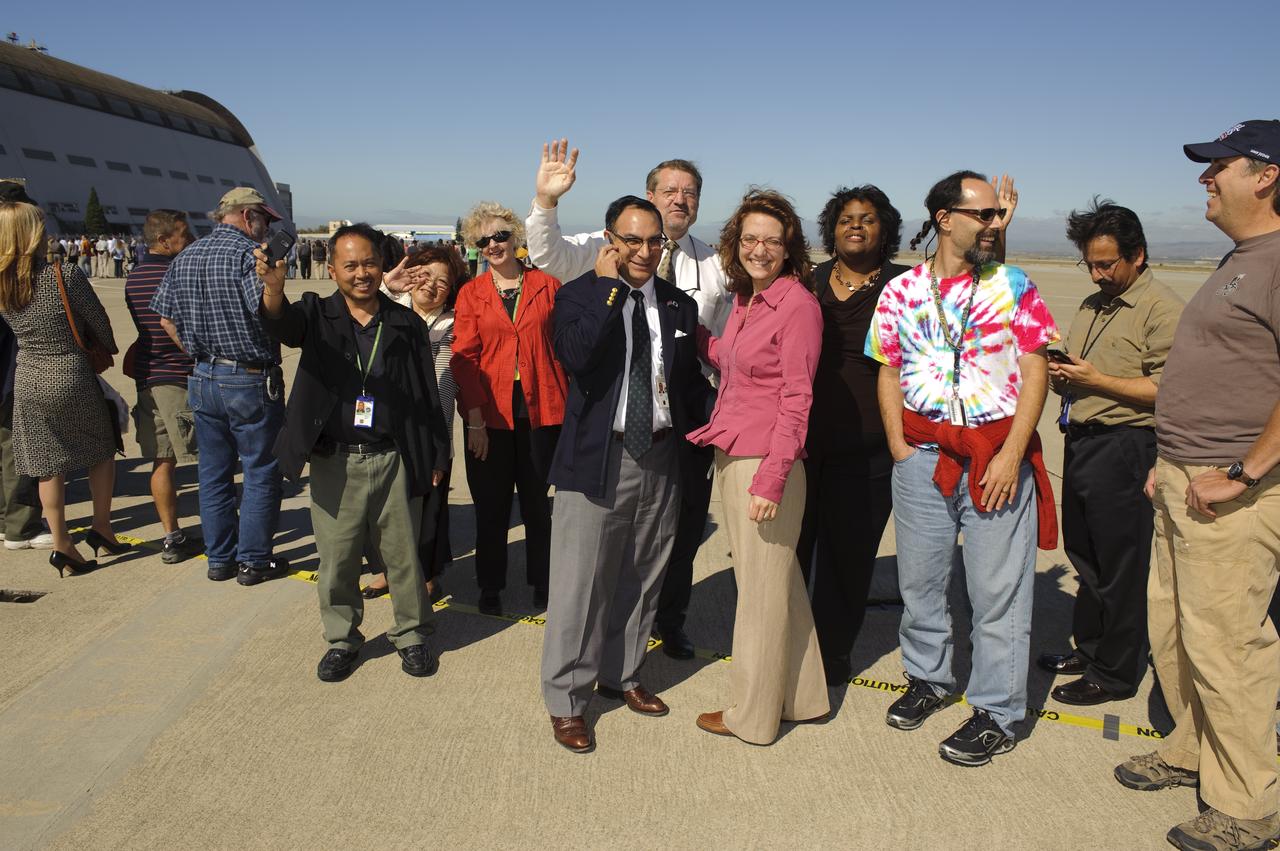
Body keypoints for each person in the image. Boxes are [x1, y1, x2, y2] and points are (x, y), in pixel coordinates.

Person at [1113, 120, 1280, 851]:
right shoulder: (1241, 257)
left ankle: (1249, 809)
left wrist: (1246, 470)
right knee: (1176, 630)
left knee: (1227, 644)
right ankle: (1189, 750)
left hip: (1234, 490)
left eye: (1218, 167)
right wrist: (1173, 457)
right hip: (1184, 476)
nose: (1204, 179)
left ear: (1266, 175)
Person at [867, 170, 1059, 767]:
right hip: (920, 456)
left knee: (996, 590)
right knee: (920, 582)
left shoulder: (1013, 284)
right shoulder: (900, 292)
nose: (993, 224)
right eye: (983, 214)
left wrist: (1010, 454)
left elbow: (1036, 371)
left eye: (998, 216)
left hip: (994, 457)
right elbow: (888, 368)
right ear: (945, 218)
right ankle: (928, 678)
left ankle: (998, 710)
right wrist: (898, 444)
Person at [527, 138, 731, 659]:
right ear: (648, 195)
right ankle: (576, 676)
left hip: (676, 433)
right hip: (607, 438)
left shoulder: (711, 267)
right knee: (590, 573)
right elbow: (550, 256)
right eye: (670, 189)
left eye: (690, 192)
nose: (680, 199)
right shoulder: (598, 261)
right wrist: (546, 203)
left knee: (665, 552)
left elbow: (722, 347)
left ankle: (652, 642)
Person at [540, 196, 714, 752]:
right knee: (580, 585)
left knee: (643, 572)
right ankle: (568, 697)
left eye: (654, 241)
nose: (644, 251)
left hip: (660, 454)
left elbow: (689, 386)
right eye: (631, 241)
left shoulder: (677, 305)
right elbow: (578, 356)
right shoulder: (578, 297)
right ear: (609, 242)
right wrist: (611, 289)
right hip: (599, 459)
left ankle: (623, 673)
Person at [258, 223, 449, 682]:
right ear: (332, 269)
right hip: (334, 459)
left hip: (392, 457)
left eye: (368, 263)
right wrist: (273, 289)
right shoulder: (315, 313)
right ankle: (342, 640)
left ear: (381, 266)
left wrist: (438, 455)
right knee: (338, 558)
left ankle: (412, 635)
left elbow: (426, 394)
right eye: (350, 265)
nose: (361, 273)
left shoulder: (403, 322)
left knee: (402, 555)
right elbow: (281, 325)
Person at [682, 189, 827, 744]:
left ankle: (753, 716)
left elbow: (796, 397)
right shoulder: (748, 300)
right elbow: (734, 362)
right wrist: (691, 333)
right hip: (735, 450)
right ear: (735, 244)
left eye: (771, 240)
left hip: (764, 463)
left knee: (760, 600)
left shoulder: (796, 306)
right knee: (777, 585)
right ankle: (802, 698)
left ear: (789, 246)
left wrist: (772, 478)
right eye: (749, 239)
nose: (759, 249)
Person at [1036, 199, 1183, 706]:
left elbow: (1171, 388)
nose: (1097, 273)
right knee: (1087, 556)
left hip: (1126, 445)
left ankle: (1116, 673)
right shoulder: (1092, 305)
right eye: (1089, 264)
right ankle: (1090, 648)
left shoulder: (1160, 308)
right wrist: (1065, 378)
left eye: (1106, 263)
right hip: (1082, 442)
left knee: (1121, 563)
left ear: (1137, 255)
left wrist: (1095, 380)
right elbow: (1085, 376)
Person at [798, 185, 911, 685]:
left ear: (884, 228)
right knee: (794, 548)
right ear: (832, 228)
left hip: (869, 445)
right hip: (803, 440)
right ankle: (789, 643)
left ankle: (833, 652)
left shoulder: (905, 286)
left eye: (867, 218)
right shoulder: (808, 281)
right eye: (846, 218)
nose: (856, 226)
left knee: (848, 553)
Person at [151, 187, 289, 585]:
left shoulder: (186, 256)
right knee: (261, 470)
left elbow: (165, 319)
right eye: (263, 219)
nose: (265, 228)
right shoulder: (250, 257)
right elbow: (266, 311)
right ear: (248, 217)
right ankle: (254, 560)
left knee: (213, 474)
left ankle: (220, 559)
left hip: (202, 376)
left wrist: (197, 351)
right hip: (247, 376)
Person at [450, 202, 566, 615]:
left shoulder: (549, 286)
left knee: (538, 505)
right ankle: (491, 585)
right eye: (484, 240)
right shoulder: (471, 294)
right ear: (476, 248)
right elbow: (464, 358)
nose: (494, 245)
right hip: (490, 414)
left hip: (541, 412)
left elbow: (565, 347)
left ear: (516, 236)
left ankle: (544, 582)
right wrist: (475, 419)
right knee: (492, 505)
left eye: (501, 235)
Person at [0, 199, 124, 576]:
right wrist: (100, 344)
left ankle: (61, 543)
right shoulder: (63, 276)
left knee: (45, 465)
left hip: (28, 375)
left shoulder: (3, 282)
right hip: (68, 371)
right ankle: (101, 526)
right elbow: (100, 324)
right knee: (101, 449)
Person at [364, 244, 467, 599]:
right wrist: (384, 287)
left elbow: (460, 377)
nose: (432, 286)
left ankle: (426, 573)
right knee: (381, 506)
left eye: (443, 281)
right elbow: (350, 315)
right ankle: (386, 570)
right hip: (387, 430)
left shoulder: (458, 322)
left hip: (434, 431)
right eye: (425, 275)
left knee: (429, 509)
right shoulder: (389, 310)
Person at [124, 210, 203, 563]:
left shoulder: (134, 276)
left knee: (162, 460)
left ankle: (171, 534)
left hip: (147, 376)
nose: (189, 242)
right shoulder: (176, 273)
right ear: (164, 240)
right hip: (179, 375)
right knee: (207, 458)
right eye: (184, 236)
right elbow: (179, 324)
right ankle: (221, 532)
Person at [0, 181, 50, 550]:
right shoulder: (20, 271)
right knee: (18, 447)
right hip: (12, 371)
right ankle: (20, 525)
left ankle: (8, 520)